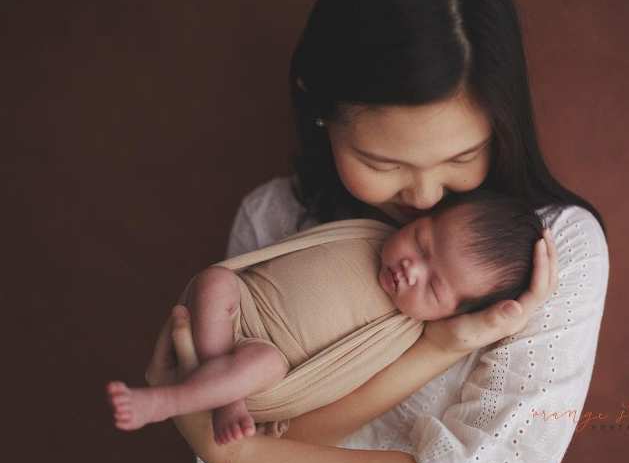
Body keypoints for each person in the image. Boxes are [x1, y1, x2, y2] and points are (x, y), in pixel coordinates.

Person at [144, 0, 610, 463]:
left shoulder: (547, 254)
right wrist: (236, 452)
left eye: (464, 155)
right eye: (383, 163)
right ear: (321, 114)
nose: (425, 196)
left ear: (501, 124)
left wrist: (236, 451)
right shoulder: (276, 219)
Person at [109, 190, 543, 446]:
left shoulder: (401, 334)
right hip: (242, 304)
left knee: (263, 365)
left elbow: (337, 384)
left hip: (266, 357)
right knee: (215, 280)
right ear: (417, 218)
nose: (413, 268)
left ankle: (171, 402)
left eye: (433, 287)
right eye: (421, 242)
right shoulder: (366, 232)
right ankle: (220, 388)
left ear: (453, 312)